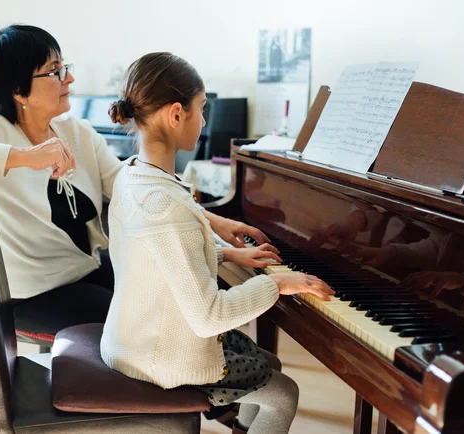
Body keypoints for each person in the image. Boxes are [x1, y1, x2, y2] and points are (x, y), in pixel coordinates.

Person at [0, 25, 274, 336]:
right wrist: (26, 157)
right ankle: (207, 400)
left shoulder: (74, 130)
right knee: (158, 319)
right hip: (38, 293)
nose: (69, 78)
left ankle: (213, 391)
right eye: (54, 71)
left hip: (87, 269)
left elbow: (133, 190)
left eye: (63, 67)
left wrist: (216, 224)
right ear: (19, 91)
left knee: (178, 288)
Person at [101, 52, 334, 434]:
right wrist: (276, 283)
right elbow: (209, 317)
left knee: (268, 365)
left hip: (131, 336)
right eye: (201, 108)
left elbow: (164, 257)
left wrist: (227, 253)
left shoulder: (133, 176)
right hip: (159, 356)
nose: (205, 119)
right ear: (176, 114)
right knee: (285, 393)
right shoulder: (165, 206)